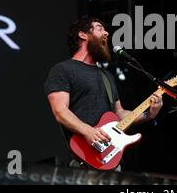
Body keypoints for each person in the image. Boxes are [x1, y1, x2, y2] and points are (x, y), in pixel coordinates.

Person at [44, 16, 163, 168]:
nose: (106, 33)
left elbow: (119, 113)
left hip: (111, 159)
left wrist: (148, 114)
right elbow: (60, 111)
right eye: (100, 29)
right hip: (84, 159)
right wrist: (87, 131)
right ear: (83, 35)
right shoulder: (63, 70)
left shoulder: (107, 76)